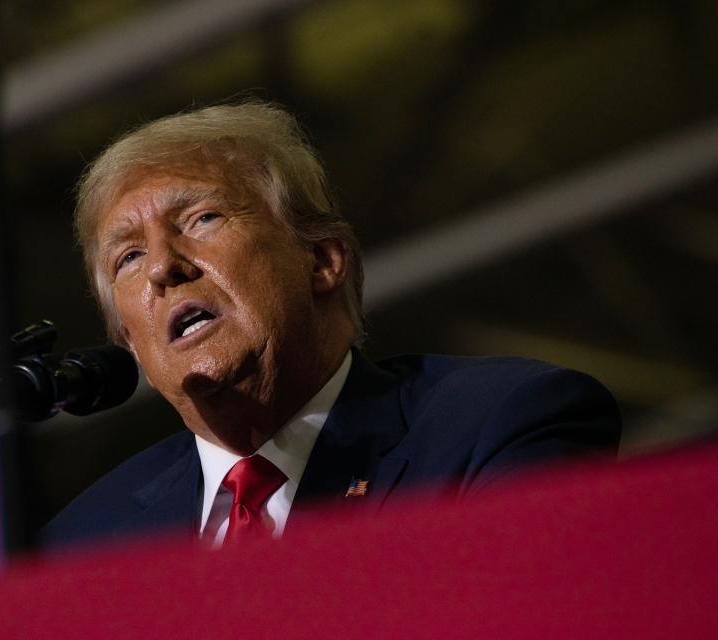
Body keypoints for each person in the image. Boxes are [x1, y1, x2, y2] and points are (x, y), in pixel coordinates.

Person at [41, 100, 620, 549]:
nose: (165, 265)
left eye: (202, 217)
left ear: (321, 261)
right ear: (130, 342)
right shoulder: (82, 544)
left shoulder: (497, 425)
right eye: (129, 257)